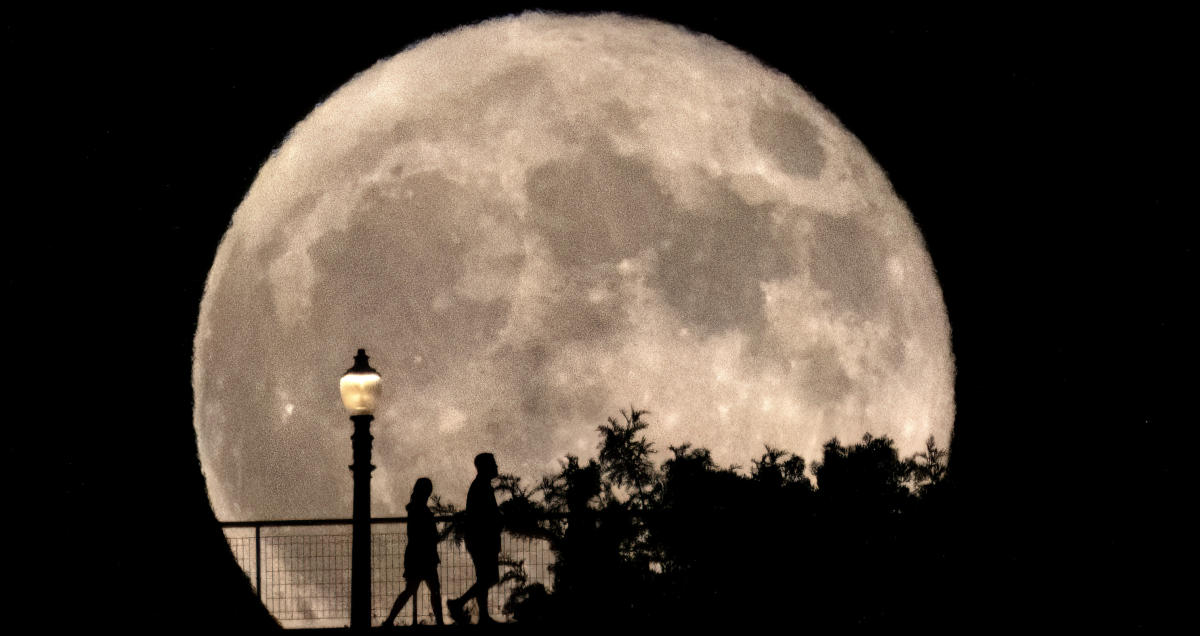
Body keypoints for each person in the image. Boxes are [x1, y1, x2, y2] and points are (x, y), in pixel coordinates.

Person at [447, 453, 501, 624]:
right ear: (486, 467)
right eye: (493, 464)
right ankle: (458, 603)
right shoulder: (481, 487)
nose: (496, 467)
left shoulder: (480, 486)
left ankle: (483, 616)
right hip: (483, 540)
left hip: (479, 539)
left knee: (484, 578)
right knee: (489, 578)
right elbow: (484, 516)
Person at [383, 478, 444, 627]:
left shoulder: (414, 508)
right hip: (425, 555)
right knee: (434, 590)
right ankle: (440, 622)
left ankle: (390, 620)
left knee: (410, 590)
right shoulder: (421, 509)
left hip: (416, 555)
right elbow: (430, 535)